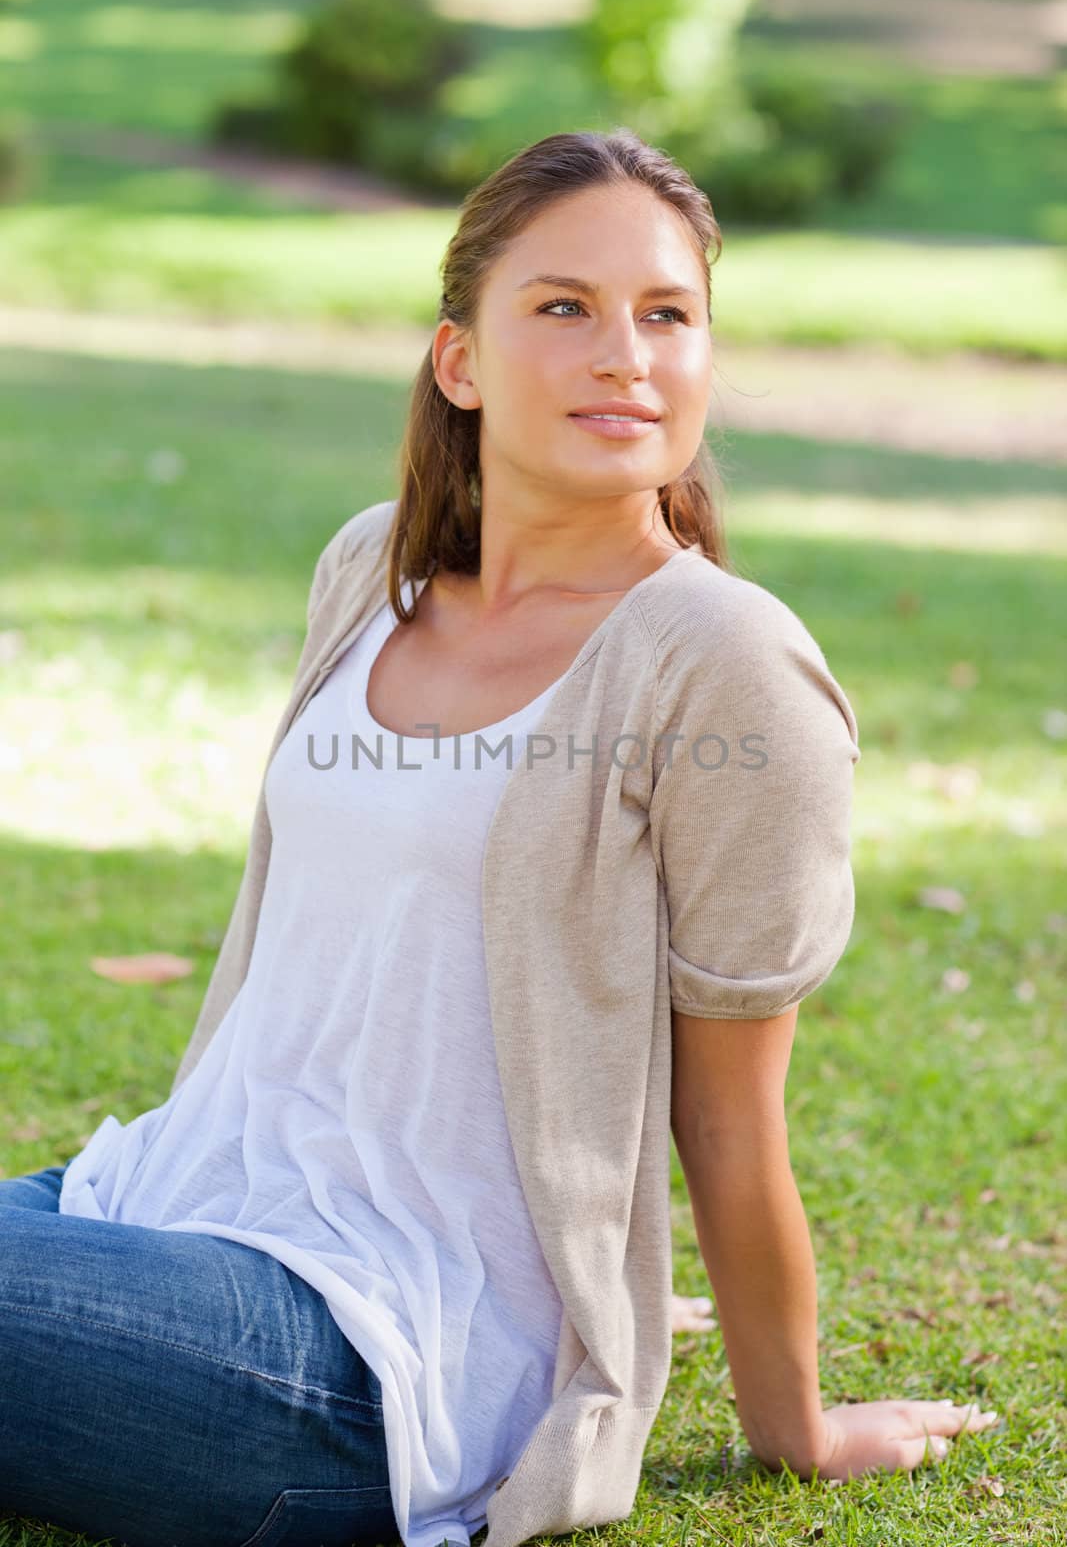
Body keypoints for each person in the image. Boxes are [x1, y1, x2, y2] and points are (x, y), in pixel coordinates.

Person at [1, 128, 997, 1547]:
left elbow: (732, 1105)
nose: (625, 355)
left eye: (667, 314)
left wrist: (800, 1430)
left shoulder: (726, 664)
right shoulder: (369, 572)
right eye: (564, 308)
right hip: (164, 1204)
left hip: (374, 1354)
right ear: (459, 361)